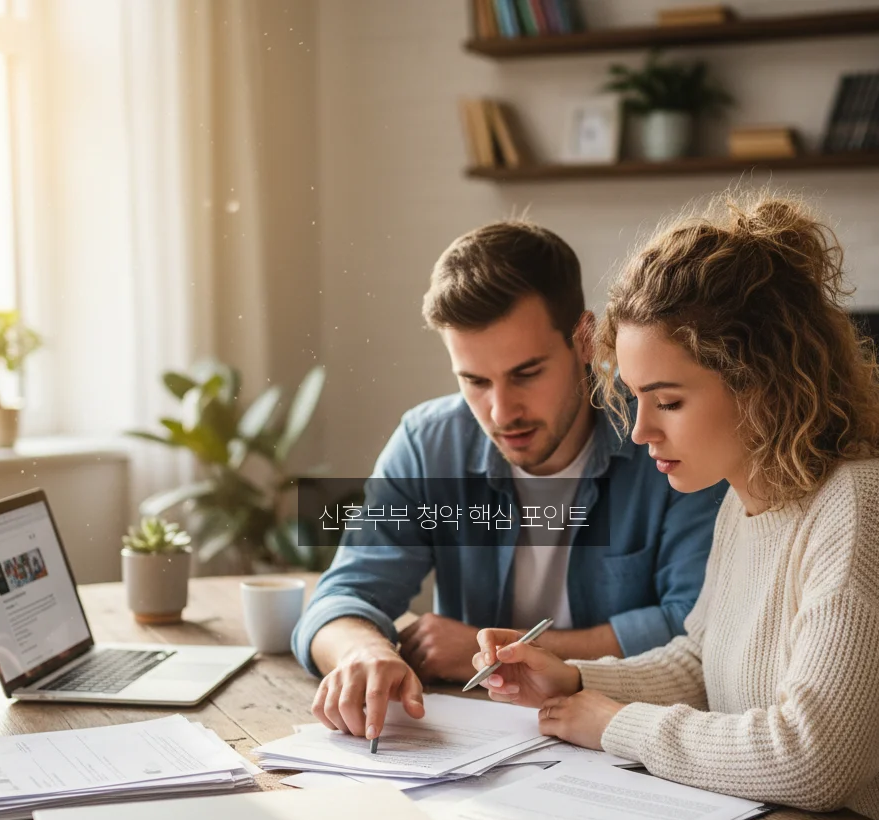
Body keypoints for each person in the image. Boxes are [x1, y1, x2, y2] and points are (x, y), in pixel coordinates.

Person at [472, 192, 879, 820]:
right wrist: (572, 679)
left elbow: (814, 755)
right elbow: (705, 661)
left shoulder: (867, 505)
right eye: (633, 400)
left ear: (765, 382)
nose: (640, 433)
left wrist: (614, 725)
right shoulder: (748, 499)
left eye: (668, 400)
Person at [294, 220, 726, 741]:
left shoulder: (667, 438)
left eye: (526, 374)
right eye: (474, 381)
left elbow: (694, 628)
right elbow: (342, 597)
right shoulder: (430, 442)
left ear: (585, 340)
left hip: (623, 738)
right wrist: (364, 652)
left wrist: (506, 649)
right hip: (469, 746)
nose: (501, 411)